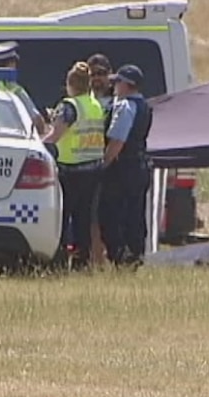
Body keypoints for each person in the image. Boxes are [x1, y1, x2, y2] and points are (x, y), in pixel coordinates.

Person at [43, 61, 106, 268]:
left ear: (70, 85)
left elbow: (55, 135)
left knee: (62, 217)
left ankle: (59, 261)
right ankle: (82, 262)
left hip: (70, 171)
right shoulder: (95, 104)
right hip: (93, 169)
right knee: (84, 219)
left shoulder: (69, 106)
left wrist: (36, 144)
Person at [98, 64, 153, 267]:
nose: (114, 86)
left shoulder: (124, 106)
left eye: (117, 82)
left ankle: (120, 256)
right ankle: (135, 255)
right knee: (135, 215)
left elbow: (117, 142)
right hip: (139, 166)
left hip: (122, 170)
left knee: (112, 214)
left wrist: (103, 165)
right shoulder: (144, 106)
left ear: (127, 85)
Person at [0, 41, 48, 135]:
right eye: (13, 63)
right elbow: (38, 123)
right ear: (10, 65)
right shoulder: (14, 90)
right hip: (11, 144)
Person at [85, 53, 115, 264]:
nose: (97, 79)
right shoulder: (83, 101)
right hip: (89, 166)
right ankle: (96, 260)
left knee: (110, 216)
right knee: (92, 218)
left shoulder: (117, 102)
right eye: (93, 74)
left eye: (102, 74)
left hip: (113, 167)